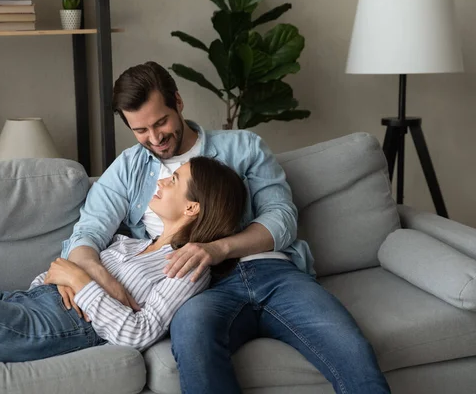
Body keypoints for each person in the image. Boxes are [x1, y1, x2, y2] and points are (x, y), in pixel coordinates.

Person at [60, 61, 391, 394]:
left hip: (274, 274)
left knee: (350, 349)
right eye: (141, 131)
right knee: (193, 340)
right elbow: (87, 232)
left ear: (178, 101)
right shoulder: (128, 168)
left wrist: (217, 249)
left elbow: (281, 217)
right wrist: (89, 272)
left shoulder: (243, 147)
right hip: (201, 290)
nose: (155, 138)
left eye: (161, 122)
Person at [0, 156, 246, 362]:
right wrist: (65, 275)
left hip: (42, 327)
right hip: (23, 302)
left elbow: (139, 331)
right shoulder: (129, 244)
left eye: (175, 180)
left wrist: (80, 279)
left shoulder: (188, 268)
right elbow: (53, 271)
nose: (162, 181)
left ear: (193, 207)